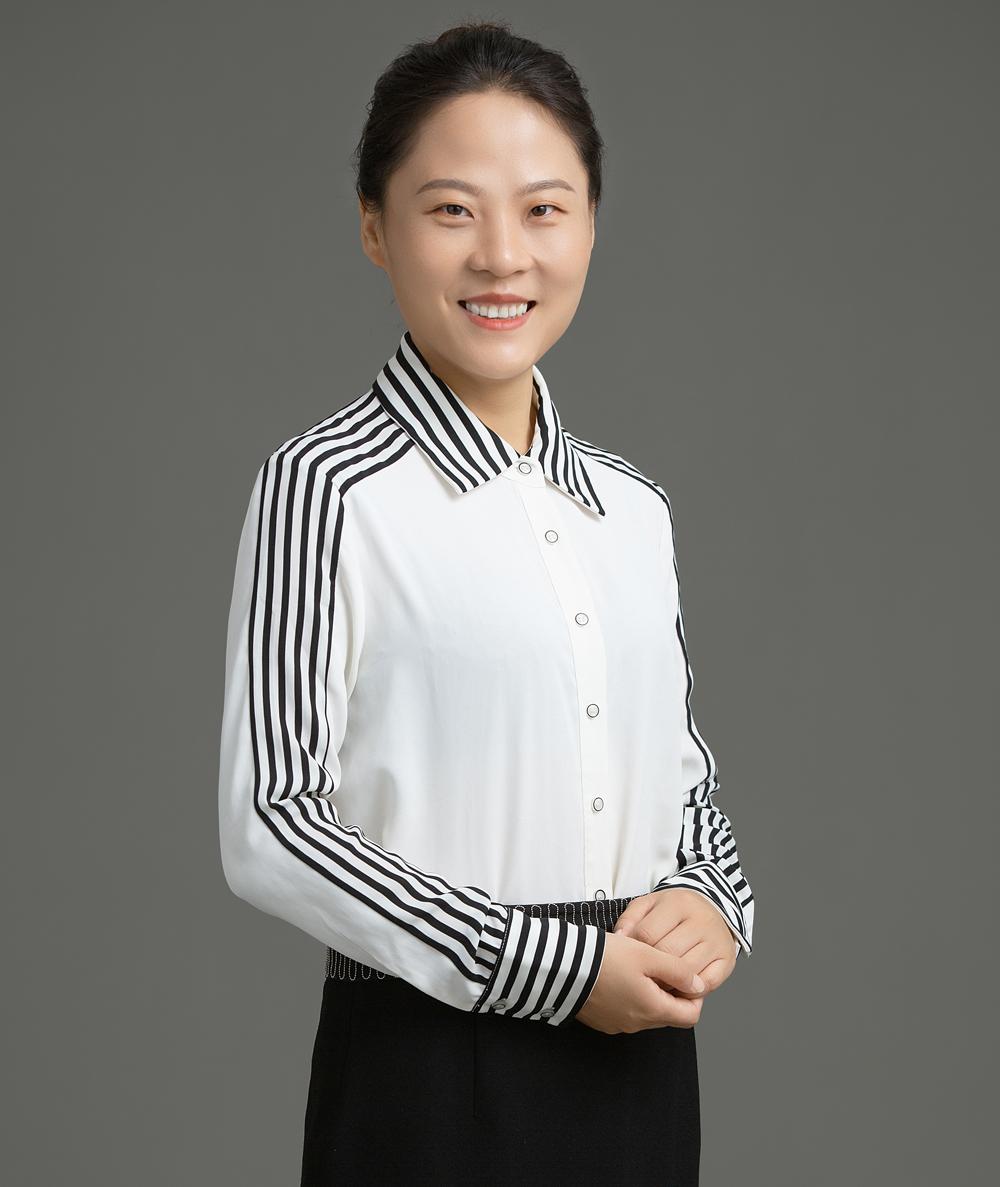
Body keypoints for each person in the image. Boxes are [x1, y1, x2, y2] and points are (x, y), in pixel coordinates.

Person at [217, 18, 755, 1186]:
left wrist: (712, 899)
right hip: (429, 1061)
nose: (502, 255)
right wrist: (550, 966)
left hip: (643, 1059)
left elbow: (682, 779)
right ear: (375, 226)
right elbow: (274, 821)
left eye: (544, 209)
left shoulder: (633, 508)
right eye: (452, 209)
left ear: (592, 224)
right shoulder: (326, 488)